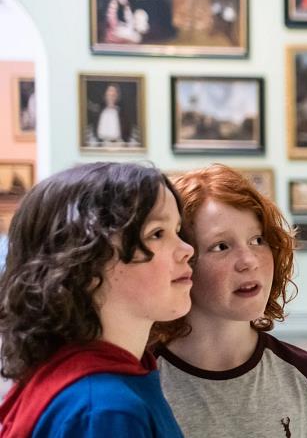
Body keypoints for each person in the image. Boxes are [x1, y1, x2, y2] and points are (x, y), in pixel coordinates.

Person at [151, 164, 307, 437]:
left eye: (258, 240)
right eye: (221, 246)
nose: (248, 261)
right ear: (181, 262)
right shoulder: (144, 382)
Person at [0, 162, 194, 437]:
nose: (187, 249)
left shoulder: (110, 379)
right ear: (84, 264)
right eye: (157, 234)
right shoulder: (104, 410)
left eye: (177, 230)